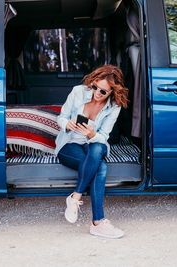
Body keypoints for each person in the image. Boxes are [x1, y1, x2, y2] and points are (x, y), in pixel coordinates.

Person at [55, 64, 129, 239]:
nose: (97, 93)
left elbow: (104, 136)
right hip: (69, 144)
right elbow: (62, 116)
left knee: (97, 148)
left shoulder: (114, 106)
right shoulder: (78, 92)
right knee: (100, 168)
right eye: (96, 87)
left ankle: (75, 196)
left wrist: (92, 134)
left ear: (112, 92)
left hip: (92, 143)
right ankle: (98, 222)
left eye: (103, 91)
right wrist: (66, 123)